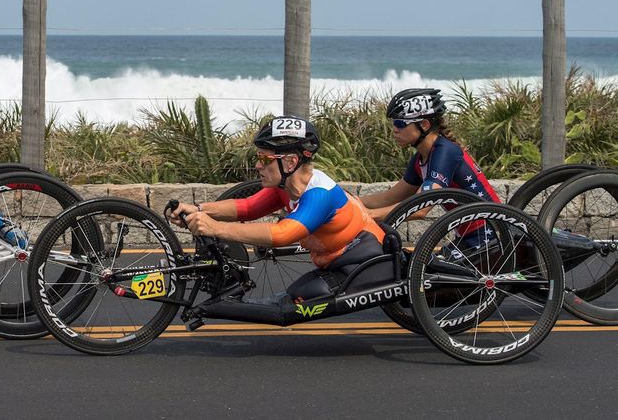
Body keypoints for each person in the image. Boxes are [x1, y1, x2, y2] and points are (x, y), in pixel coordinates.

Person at [171, 115, 387, 302]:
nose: (258, 165)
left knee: (296, 299)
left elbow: (282, 234)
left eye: (265, 159)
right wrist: (199, 209)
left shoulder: (320, 194)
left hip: (361, 262)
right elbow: (247, 207)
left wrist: (215, 228)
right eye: (258, 158)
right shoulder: (286, 186)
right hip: (334, 261)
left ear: (291, 162)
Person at [359, 88, 498, 248]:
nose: (394, 129)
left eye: (400, 123)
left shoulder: (445, 152)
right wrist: (351, 202)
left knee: (418, 270)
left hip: (491, 237)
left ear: (424, 125)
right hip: (468, 237)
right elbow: (389, 198)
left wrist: (369, 215)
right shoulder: (421, 158)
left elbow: (421, 208)